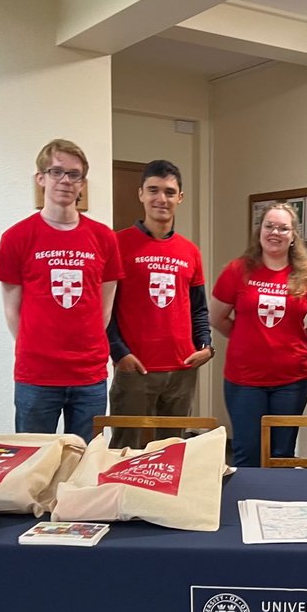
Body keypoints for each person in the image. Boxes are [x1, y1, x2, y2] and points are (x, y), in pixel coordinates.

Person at [0, 139, 123, 442]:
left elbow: (104, 308)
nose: (65, 180)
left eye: (74, 174)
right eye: (56, 172)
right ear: (41, 179)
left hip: (89, 374)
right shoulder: (16, 237)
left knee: (85, 460)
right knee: (34, 461)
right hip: (37, 374)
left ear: (83, 183)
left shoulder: (104, 238)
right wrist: (40, 347)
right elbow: (12, 310)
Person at [107, 160, 213, 448]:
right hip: (135, 369)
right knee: (123, 449)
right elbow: (104, 311)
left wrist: (205, 346)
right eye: (153, 190)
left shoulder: (190, 251)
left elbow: (198, 308)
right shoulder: (117, 244)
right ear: (140, 193)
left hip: (181, 368)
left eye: (169, 191)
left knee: (171, 452)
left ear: (180, 197)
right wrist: (119, 353)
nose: (161, 199)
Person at [209, 203, 307, 467]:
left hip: (290, 381)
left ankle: (277, 507)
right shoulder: (237, 270)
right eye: (269, 225)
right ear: (259, 230)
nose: (275, 232)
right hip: (244, 381)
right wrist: (246, 337)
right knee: (247, 454)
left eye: (283, 228)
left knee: (281, 456)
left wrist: (292, 341)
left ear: (293, 235)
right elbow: (217, 317)